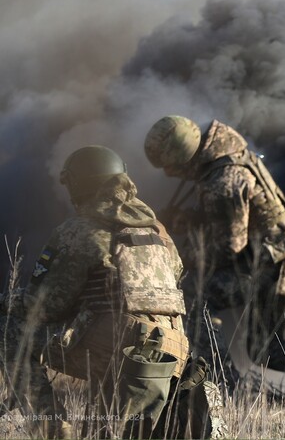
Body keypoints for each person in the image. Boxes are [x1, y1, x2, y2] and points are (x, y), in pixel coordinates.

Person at [144, 116, 285, 393]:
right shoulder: (226, 159)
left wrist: (182, 262)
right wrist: (186, 221)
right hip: (279, 258)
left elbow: (229, 245)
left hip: (274, 265)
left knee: (192, 298)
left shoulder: (222, 181)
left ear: (182, 157)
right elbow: (233, 220)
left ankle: (224, 385)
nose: (170, 174)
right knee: (265, 349)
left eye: (170, 167)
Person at [0, 146, 190, 438]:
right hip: (171, 351)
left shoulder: (80, 230)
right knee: (106, 429)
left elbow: (48, 305)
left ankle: (51, 427)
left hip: (115, 347)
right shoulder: (158, 231)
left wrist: (8, 301)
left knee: (9, 329)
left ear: (78, 185)